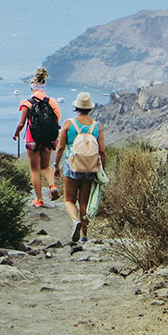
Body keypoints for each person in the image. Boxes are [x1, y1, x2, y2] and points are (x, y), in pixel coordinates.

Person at [52, 91, 105, 243]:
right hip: (90, 168)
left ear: (76, 107)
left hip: (72, 166)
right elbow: (102, 151)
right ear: (90, 108)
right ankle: (84, 234)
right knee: (84, 202)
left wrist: (56, 165)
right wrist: (102, 170)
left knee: (69, 200)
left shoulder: (69, 124)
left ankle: (75, 220)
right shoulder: (96, 126)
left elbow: (60, 147)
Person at [13, 67, 62, 207]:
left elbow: (22, 123)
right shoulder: (52, 102)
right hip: (48, 139)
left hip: (32, 140)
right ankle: (52, 186)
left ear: (32, 88)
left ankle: (39, 200)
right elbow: (56, 120)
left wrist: (16, 134)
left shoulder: (27, 103)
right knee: (45, 166)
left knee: (35, 169)